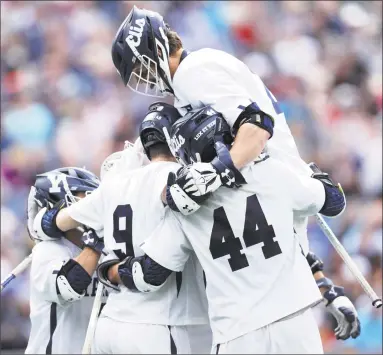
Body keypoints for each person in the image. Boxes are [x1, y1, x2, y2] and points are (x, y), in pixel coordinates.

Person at [110, 7, 361, 342]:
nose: (144, 77)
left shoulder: (191, 72)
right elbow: (332, 199)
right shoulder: (204, 67)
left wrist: (216, 173)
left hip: (240, 319)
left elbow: (257, 127)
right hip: (277, 193)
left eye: (140, 65)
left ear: (155, 47)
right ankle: (324, 287)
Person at [104, 107, 358, 354]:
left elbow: (150, 274)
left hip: (236, 332)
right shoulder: (272, 171)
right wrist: (307, 169)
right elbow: (334, 202)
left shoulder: (185, 206)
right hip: (295, 322)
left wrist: (109, 270)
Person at [32, 103, 211, 354]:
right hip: (164, 320)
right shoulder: (185, 179)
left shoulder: (115, 184)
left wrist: (43, 224)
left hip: (109, 324)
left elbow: (49, 224)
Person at [25, 167, 106, 354]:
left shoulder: (107, 249)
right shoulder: (47, 251)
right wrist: (97, 242)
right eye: (85, 196)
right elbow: (70, 284)